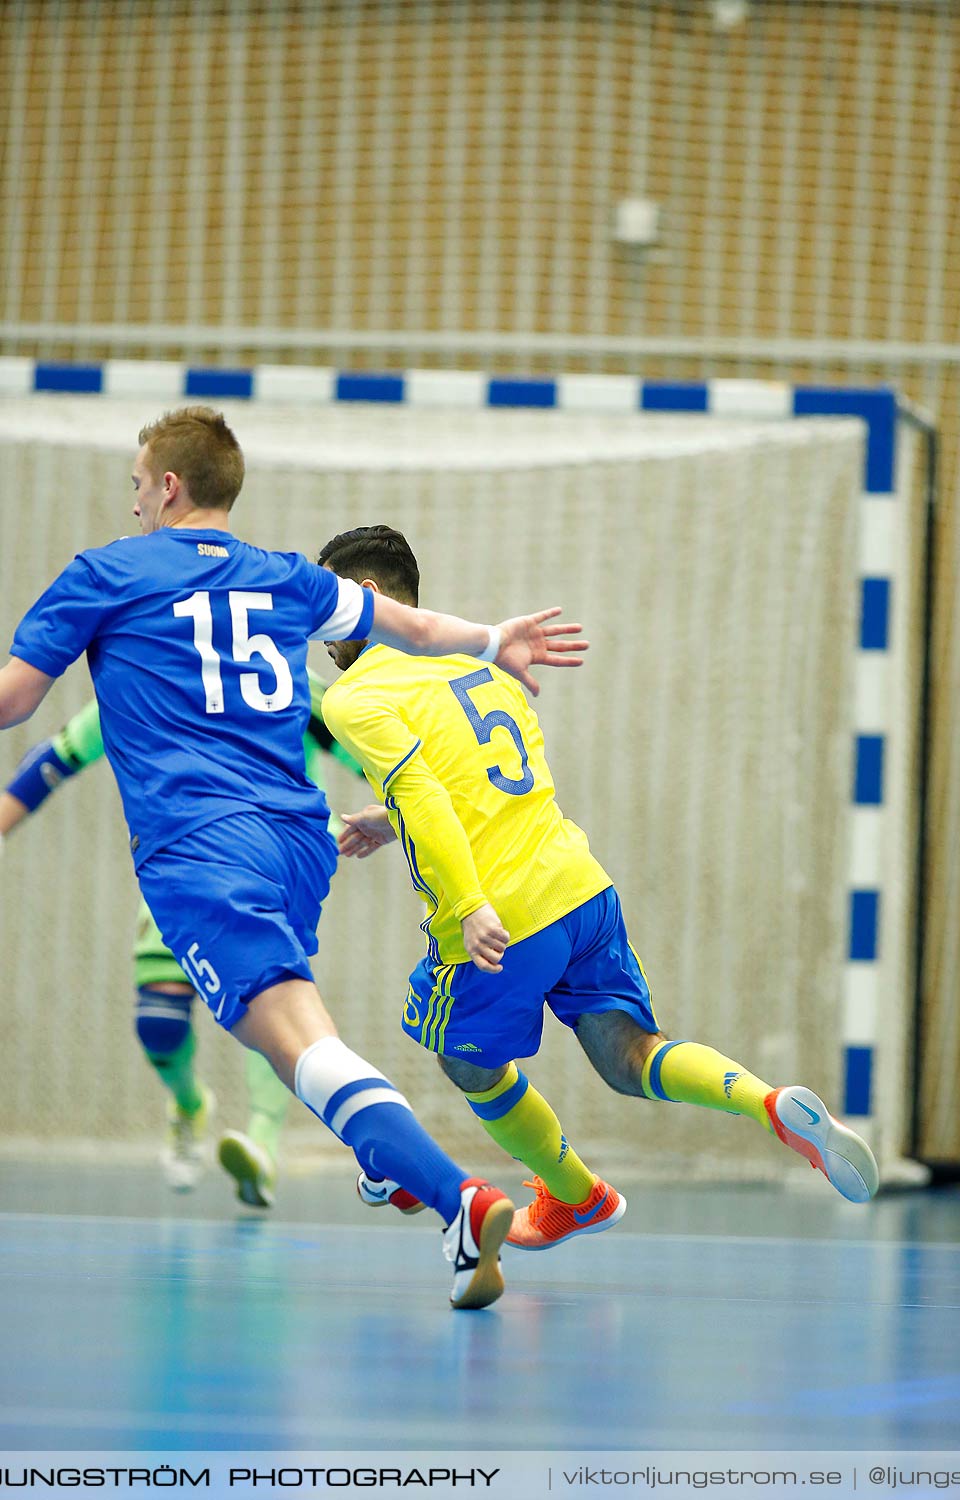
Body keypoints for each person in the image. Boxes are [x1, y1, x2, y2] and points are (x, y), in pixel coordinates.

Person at [0, 405, 587, 1309]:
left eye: (135, 488)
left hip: (203, 850)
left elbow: (14, 703)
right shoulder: (287, 578)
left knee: (303, 1048)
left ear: (168, 485)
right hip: (299, 845)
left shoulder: (105, 573)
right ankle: (385, 1158)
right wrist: (492, 640)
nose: (132, 509)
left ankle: (457, 1198)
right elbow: (409, 627)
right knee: (295, 1040)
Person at [319, 525, 880, 1251]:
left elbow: (427, 797)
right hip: (580, 888)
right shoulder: (475, 664)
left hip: (501, 913)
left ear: (365, 597)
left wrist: (467, 904)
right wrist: (384, 819)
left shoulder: (354, 694)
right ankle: (768, 1102)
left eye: (324, 602)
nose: (315, 626)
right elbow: (473, 782)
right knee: (634, 1056)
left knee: (464, 1058)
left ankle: (573, 1195)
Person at [0, 676, 367, 1208]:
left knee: (272, 1000)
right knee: (159, 1023)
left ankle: (262, 1144)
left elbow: (374, 757)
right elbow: (57, 759)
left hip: (269, 865)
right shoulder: (148, 677)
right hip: (180, 862)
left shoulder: (282, 678)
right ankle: (190, 1105)